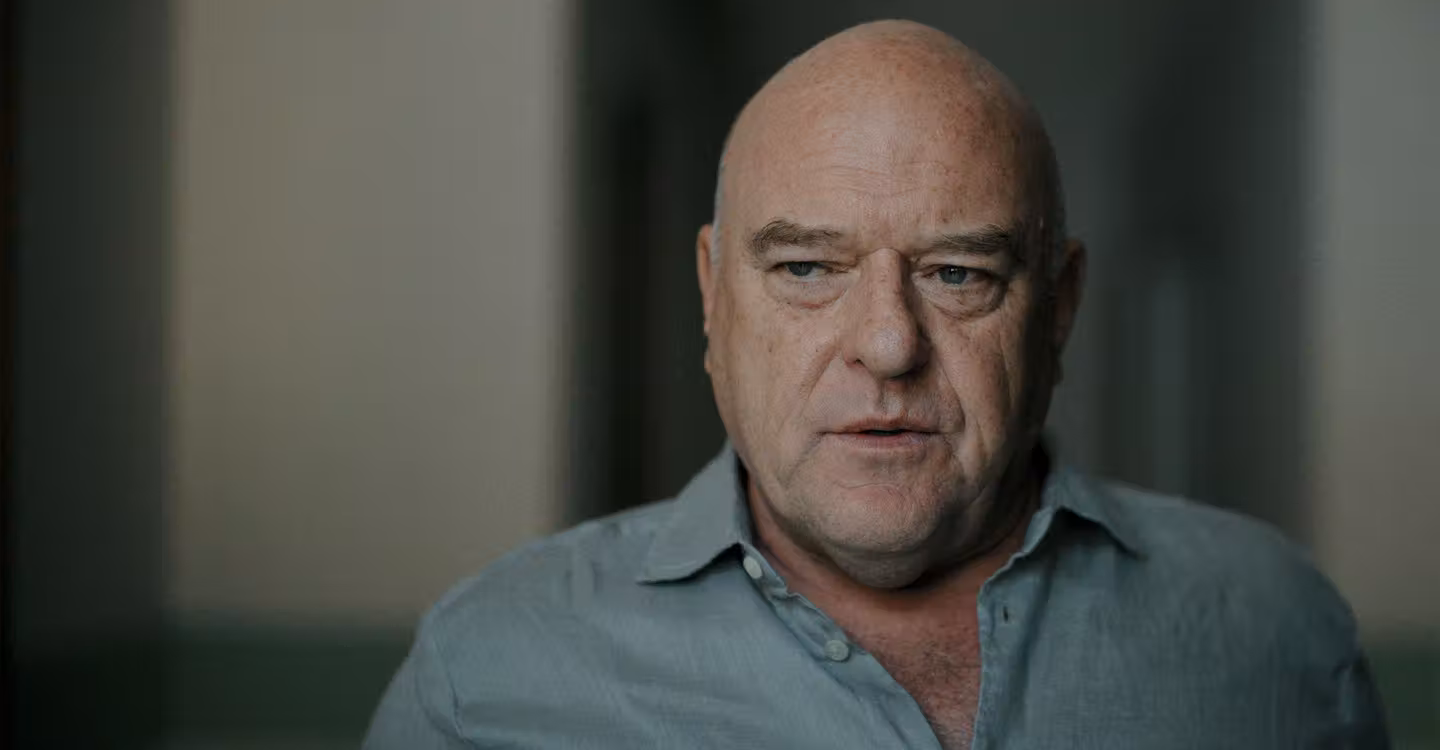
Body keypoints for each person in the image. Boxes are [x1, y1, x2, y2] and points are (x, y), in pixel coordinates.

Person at [364, 20, 1388, 749]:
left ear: (1060, 308)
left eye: (959, 273)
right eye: (809, 268)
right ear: (713, 298)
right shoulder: (487, 675)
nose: (890, 345)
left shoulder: (1278, 633)